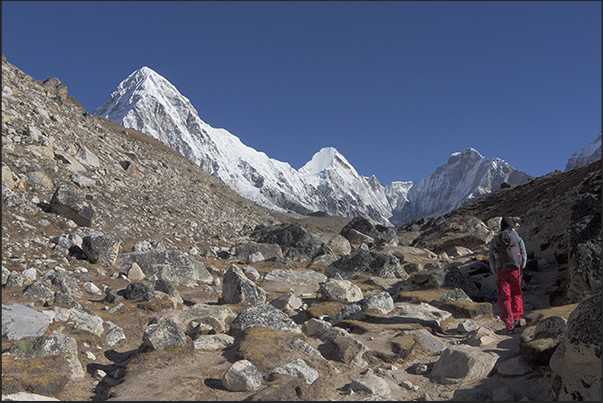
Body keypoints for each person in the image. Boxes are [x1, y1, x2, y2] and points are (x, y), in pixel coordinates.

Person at [488, 217, 527, 334]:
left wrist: (495, 272)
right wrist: (521, 267)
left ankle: (509, 325)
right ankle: (517, 318)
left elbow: (491, 257)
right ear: (511, 226)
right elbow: (523, 253)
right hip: (516, 270)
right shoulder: (516, 237)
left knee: (504, 297)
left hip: (502, 271)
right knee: (516, 293)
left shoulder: (495, 240)